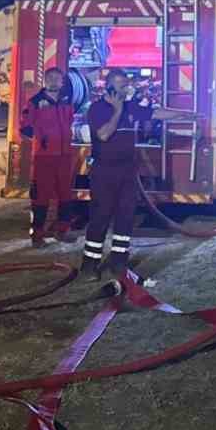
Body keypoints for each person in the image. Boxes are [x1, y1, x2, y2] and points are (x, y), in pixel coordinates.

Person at [82, 67, 152, 288]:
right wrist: (118, 110)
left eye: (126, 84)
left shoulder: (131, 107)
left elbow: (155, 114)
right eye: (122, 85)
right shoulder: (98, 109)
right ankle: (89, 266)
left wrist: (190, 115)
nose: (126, 88)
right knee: (100, 217)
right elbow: (103, 134)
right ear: (110, 86)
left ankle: (119, 263)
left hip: (127, 172)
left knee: (126, 216)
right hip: (104, 172)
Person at [20, 68, 80, 248]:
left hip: (65, 155)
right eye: (51, 78)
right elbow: (24, 129)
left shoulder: (66, 101)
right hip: (44, 157)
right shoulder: (35, 102)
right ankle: (37, 236)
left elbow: (70, 122)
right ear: (45, 81)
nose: (55, 81)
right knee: (41, 196)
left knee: (65, 195)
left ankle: (62, 231)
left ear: (62, 82)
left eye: (58, 78)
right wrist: (43, 139)